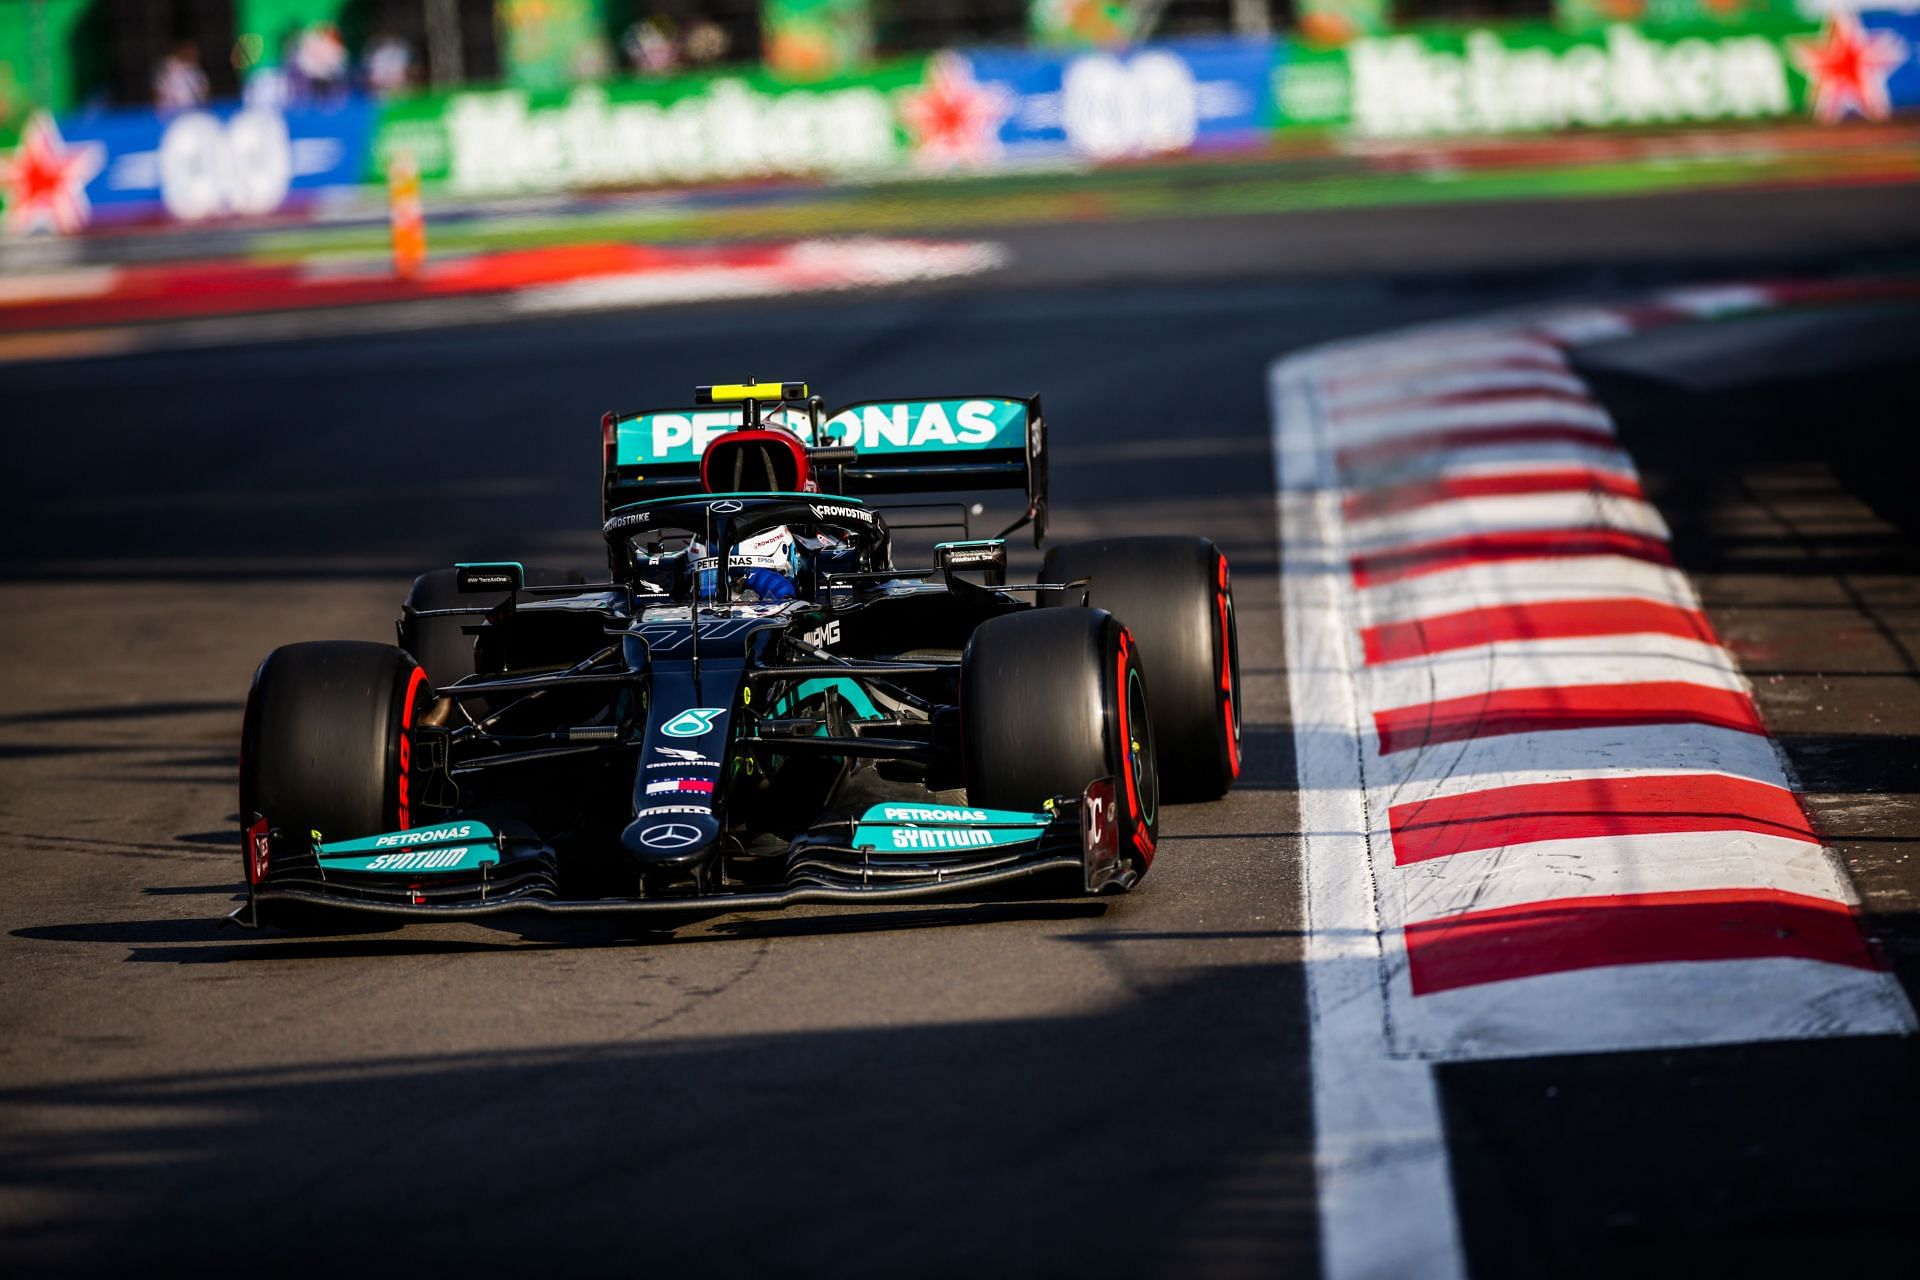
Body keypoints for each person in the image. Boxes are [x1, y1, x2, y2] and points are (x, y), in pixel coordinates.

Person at [153, 41, 209, 113]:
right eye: (188, 49)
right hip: (170, 113)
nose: (192, 53)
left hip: (192, 113)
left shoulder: (196, 71)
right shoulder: (166, 67)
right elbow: (157, 92)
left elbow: (205, 94)